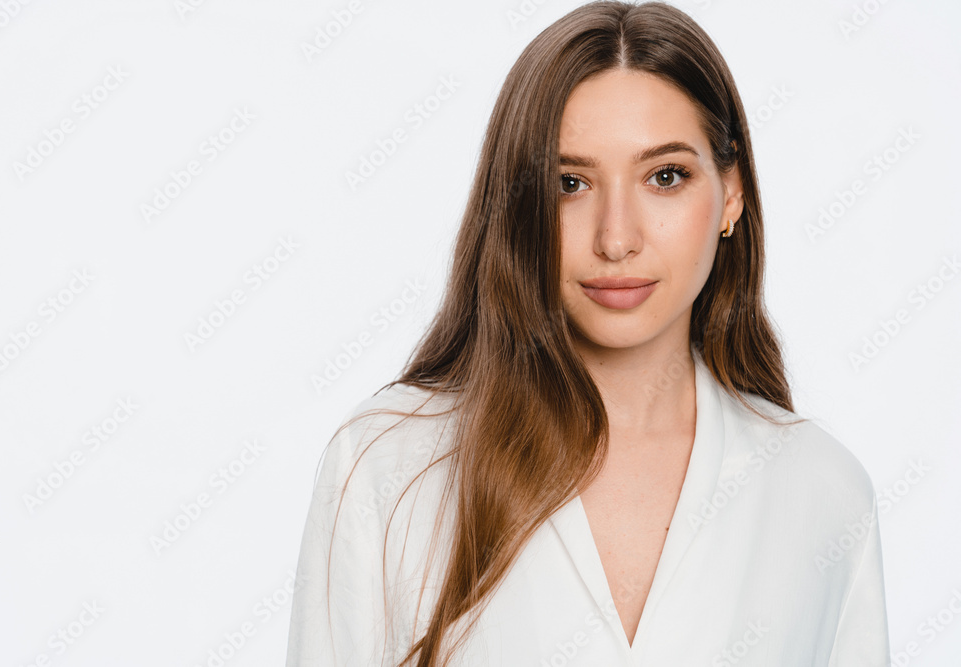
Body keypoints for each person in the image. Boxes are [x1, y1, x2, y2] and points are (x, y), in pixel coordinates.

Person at [286, 1, 891, 665]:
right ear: (518, 203)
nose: (616, 238)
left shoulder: (823, 491)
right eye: (569, 183)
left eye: (665, 177)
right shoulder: (387, 466)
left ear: (731, 194)